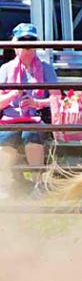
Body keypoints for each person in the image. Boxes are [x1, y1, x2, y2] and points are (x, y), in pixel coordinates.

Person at [0, 23, 60, 199]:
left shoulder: (46, 68)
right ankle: (4, 186)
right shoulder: (5, 69)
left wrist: (37, 103)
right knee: (4, 138)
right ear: (14, 43)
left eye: (31, 41)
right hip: (9, 119)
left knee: (31, 135)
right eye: (23, 41)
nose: (27, 46)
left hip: (34, 118)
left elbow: (56, 98)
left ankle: (37, 184)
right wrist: (13, 94)